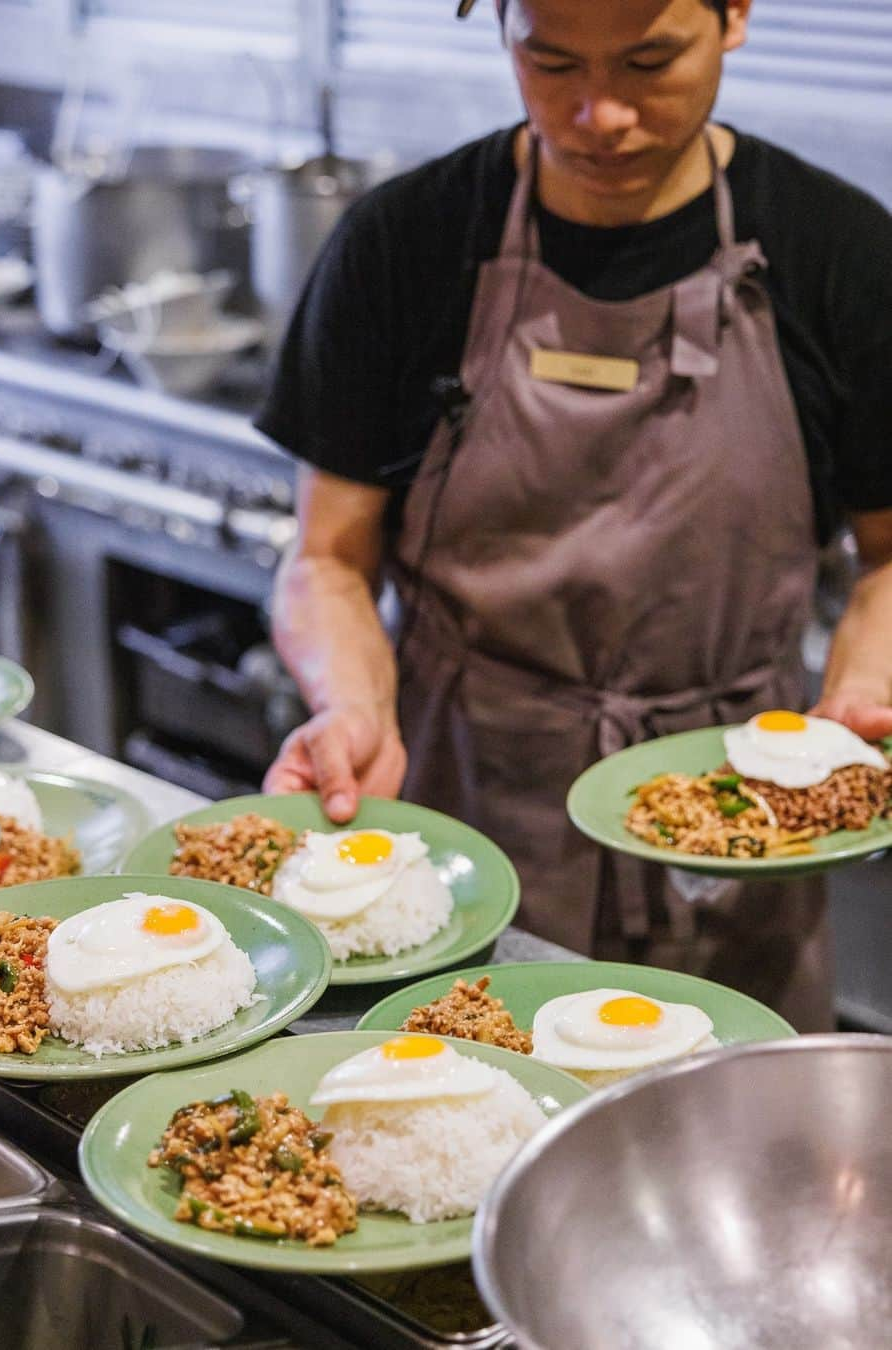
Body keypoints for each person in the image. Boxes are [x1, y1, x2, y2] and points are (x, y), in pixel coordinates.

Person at [255, 0, 892, 1032]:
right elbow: (326, 557)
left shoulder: (841, 251)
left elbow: (887, 559)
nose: (599, 114)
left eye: (649, 62)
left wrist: (856, 707)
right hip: (456, 832)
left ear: (733, 16)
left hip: (735, 823)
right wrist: (352, 703)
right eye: (549, 61)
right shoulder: (406, 242)